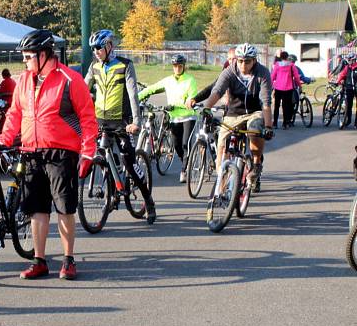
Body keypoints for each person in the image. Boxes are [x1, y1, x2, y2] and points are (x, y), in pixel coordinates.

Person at [0, 29, 98, 280]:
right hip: (31, 151)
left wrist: (87, 152)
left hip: (61, 152)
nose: (25, 61)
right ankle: (39, 260)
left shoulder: (69, 79)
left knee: (65, 207)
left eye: (28, 56)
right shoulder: (23, 80)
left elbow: (87, 117)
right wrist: (3, 141)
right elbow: (15, 114)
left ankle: (68, 259)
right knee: (37, 209)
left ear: (44, 54)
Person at [85, 28, 156, 223]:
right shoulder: (95, 67)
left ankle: (148, 201)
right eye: (93, 49)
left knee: (130, 165)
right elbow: (83, 90)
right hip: (101, 120)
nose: (96, 51)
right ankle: (112, 189)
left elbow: (133, 95)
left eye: (98, 47)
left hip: (123, 123)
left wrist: (136, 122)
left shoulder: (125, 65)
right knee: (101, 153)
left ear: (109, 46)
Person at [201, 42, 273, 191]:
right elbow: (217, 91)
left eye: (247, 61)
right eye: (240, 61)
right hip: (234, 112)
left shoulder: (262, 73)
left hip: (254, 111)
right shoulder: (230, 71)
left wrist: (268, 126)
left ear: (254, 60)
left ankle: (256, 163)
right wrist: (207, 108)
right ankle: (221, 188)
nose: (243, 65)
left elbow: (266, 102)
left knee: (255, 131)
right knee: (221, 146)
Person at [138, 54, 198, 183]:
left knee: (185, 143)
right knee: (176, 145)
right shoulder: (168, 80)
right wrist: (136, 98)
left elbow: (192, 97)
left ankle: (184, 170)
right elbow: (151, 88)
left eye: (179, 66)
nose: (177, 68)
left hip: (188, 116)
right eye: (175, 66)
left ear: (184, 67)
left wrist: (181, 104)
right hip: (174, 118)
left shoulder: (190, 80)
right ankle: (184, 161)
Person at [270, 51, 301, 129]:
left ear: (280, 57)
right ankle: (285, 123)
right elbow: (297, 77)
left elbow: (272, 76)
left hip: (278, 88)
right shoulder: (291, 65)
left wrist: (270, 85)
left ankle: (275, 123)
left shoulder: (277, 65)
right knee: (286, 106)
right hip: (288, 88)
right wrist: (299, 85)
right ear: (287, 57)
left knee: (276, 106)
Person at [337, 53, 357, 128]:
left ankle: (356, 123)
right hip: (349, 88)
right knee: (349, 105)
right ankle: (348, 120)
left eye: (349, 59)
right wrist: (340, 81)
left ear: (353, 60)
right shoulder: (347, 67)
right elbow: (342, 75)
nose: (348, 61)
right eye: (348, 59)